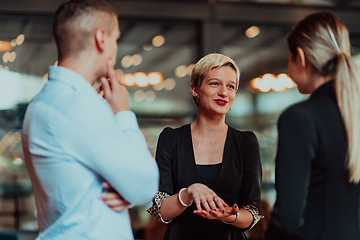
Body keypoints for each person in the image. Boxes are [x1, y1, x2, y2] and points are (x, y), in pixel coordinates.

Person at [21, 0, 159, 239]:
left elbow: (121, 184)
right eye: (115, 39)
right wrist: (123, 113)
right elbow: (145, 185)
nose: (115, 49)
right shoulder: (77, 104)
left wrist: (126, 188)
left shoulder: (45, 101)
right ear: (101, 38)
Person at [265, 12, 360, 240]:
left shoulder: (299, 118)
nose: (289, 73)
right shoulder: (353, 116)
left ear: (301, 56)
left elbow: (287, 220)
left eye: (289, 59)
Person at [147, 53, 263, 240]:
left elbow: (253, 212)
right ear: (195, 89)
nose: (224, 92)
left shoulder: (246, 143)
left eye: (231, 86)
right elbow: (160, 211)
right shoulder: (171, 139)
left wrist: (231, 217)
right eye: (215, 83)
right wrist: (188, 192)